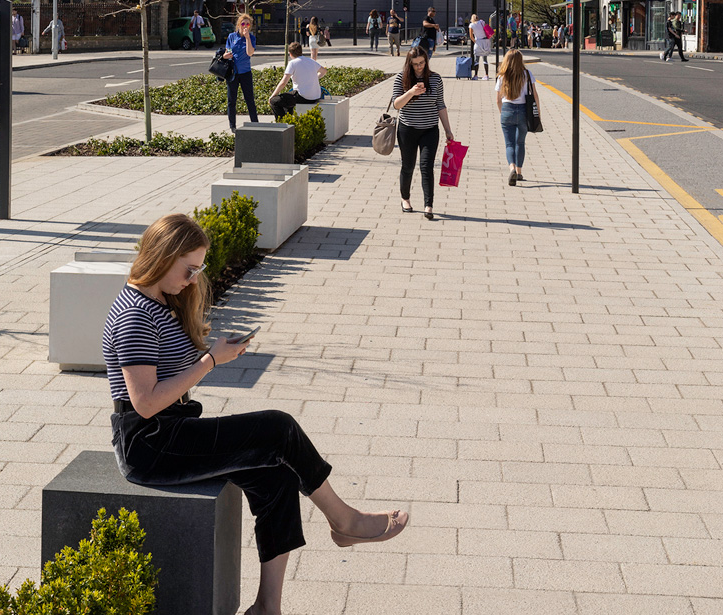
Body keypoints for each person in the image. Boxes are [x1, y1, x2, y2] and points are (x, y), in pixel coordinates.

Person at [105, 213, 410, 615]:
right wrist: (211, 361)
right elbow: (144, 403)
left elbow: (165, 377)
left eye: (199, 269)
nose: (194, 279)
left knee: (277, 477)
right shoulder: (134, 314)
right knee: (277, 428)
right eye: (188, 269)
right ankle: (344, 520)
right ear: (162, 257)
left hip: (173, 430)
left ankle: (267, 607)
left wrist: (210, 352)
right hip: (151, 445)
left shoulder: (160, 301)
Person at [392, 47, 454, 220]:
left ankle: (429, 205)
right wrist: (411, 92)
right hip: (407, 129)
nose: (419, 67)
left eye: (422, 63)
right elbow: (396, 104)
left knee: (426, 167)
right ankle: (405, 199)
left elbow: (440, 104)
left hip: (430, 130)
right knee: (408, 166)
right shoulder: (401, 78)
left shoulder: (435, 79)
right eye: (415, 64)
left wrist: (448, 130)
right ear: (409, 64)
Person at [495, 49, 539, 187]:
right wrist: (537, 112)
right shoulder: (527, 74)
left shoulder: (502, 76)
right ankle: (519, 172)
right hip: (523, 111)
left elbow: (498, 100)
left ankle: (512, 168)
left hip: (507, 109)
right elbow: (535, 95)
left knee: (509, 144)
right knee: (520, 142)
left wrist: (503, 113)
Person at [268, 42, 326, 120]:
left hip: (303, 97)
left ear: (290, 54)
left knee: (274, 101)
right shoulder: (311, 61)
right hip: (315, 96)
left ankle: (283, 123)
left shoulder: (293, 63)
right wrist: (313, 78)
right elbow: (324, 71)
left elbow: (283, 83)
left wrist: (272, 95)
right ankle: (289, 120)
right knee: (288, 100)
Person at [223, 13, 258, 133]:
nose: (245, 26)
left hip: (245, 72)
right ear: (239, 24)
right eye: (243, 24)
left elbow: (250, 53)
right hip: (233, 73)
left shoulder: (251, 38)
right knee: (231, 100)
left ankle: (255, 123)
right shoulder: (232, 37)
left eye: (248, 24)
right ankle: (232, 125)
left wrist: (247, 38)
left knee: (249, 99)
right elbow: (227, 51)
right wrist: (225, 55)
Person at [469, 14, 491, 80]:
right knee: (485, 60)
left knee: (477, 60)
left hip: (478, 41)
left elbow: (471, 36)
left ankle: (476, 75)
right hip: (485, 41)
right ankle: (486, 75)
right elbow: (488, 29)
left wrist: (475, 41)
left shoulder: (471, 25)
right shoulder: (482, 22)